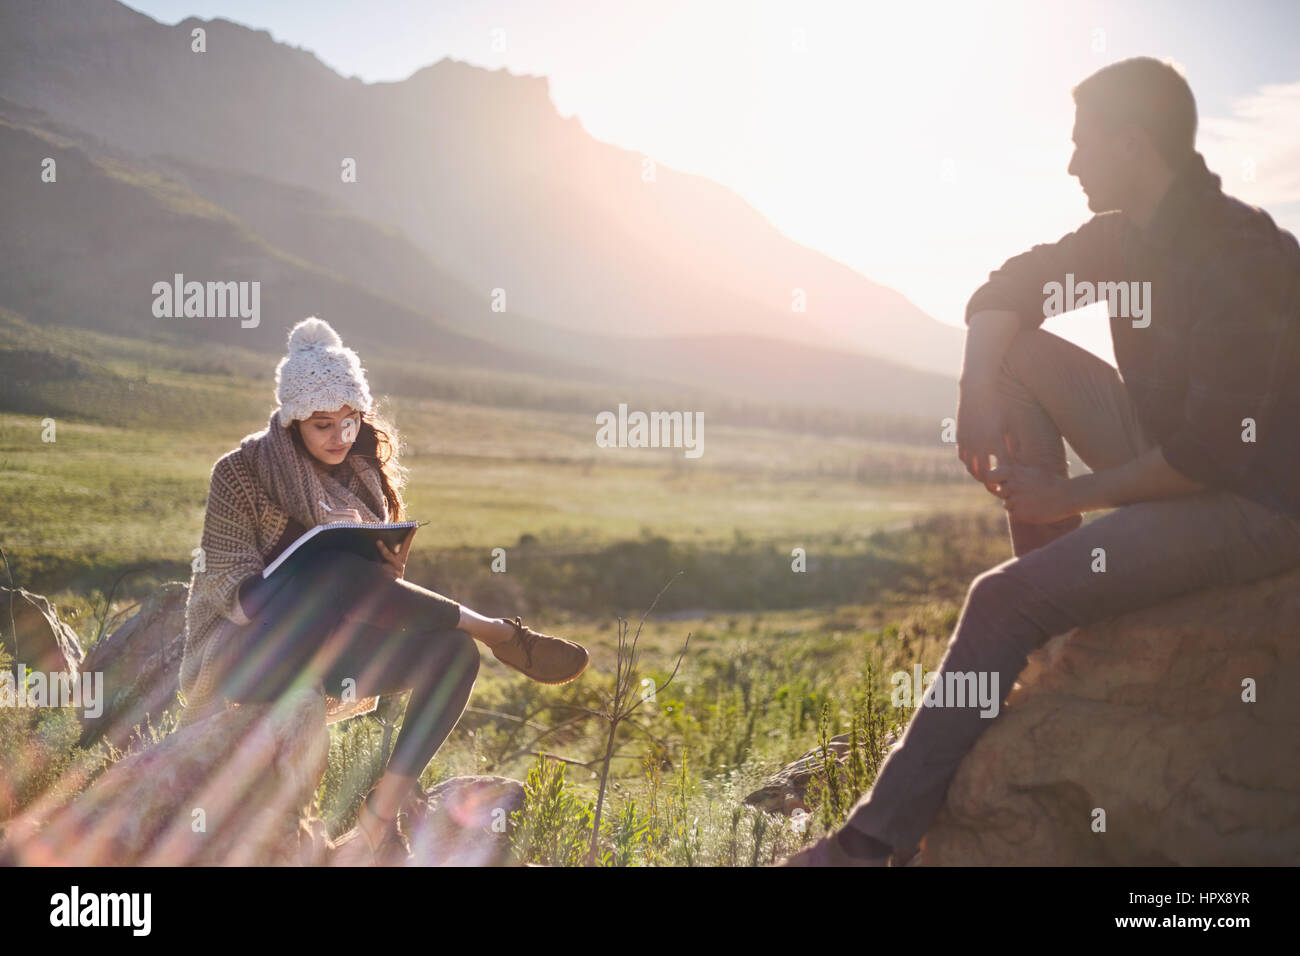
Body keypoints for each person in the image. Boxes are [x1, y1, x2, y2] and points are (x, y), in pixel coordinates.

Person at [785, 56, 1300, 866]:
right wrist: (975, 389)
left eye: (1081, 143)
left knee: (1000, 601)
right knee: (1013, 350)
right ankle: (1065, 594)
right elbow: (1011, 285)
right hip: (1175, 455)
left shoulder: (1245, 256)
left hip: (1259, 499)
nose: (1070, 163)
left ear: (1132, 144)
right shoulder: (1125, 235)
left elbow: (1213, 455)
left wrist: (1072, 491)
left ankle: (865, 847)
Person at [178, 316, 589, 865]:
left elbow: (367, 599)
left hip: (329, 649)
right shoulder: (240, 472)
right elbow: (225, 586)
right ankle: (499, 632)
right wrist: (309, 574)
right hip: (249, 655)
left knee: (450, 654)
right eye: (323, 424)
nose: (340, 437)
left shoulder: (363, 475)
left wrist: (381, 575)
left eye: (351, 421)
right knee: (331, 573)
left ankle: (380, 818)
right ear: (293, 419)